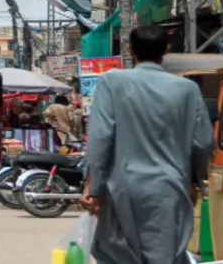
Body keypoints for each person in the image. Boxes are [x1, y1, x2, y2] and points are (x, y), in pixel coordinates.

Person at [80, 25, 214, 264]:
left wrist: (93, 188)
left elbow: (101, 138)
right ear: (167, 49)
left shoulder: (111, 82)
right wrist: (194, 181)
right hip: (169, 189)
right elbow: (203, 142)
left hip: (120, 190)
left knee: (117, 256)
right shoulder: (188, 89)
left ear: (130, 49)